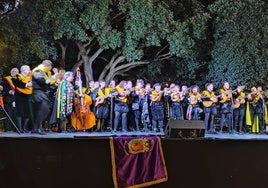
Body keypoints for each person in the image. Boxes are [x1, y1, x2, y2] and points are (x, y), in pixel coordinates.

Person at [31, 60, 58, 134]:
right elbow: (42, 81)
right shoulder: (38, 71)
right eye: (50, 67)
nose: (51, 68)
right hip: (37, 92)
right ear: (47, 66)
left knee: (44, 110)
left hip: (43, 93)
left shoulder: (45, 73)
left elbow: (48, 84)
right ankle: (37, 128)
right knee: (44, 109)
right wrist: (53, 77)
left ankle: (36, 128)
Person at [11, 65, 32, 133]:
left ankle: (24, 128)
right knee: (19, 112)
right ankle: (19, 128)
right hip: (20, 97)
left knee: (28, 113)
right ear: (24, 70)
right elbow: (16, 83)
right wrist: (27, 85)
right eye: (28, 70)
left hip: (28, 96)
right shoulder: (17, 76)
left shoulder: (30, 77)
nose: (29, 71)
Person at [2, 67, 19, 132]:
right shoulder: (6, 79)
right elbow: (3, 87)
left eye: (16, 71)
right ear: (10, 72)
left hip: (17, 99)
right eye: (13, 71)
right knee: (8, 113)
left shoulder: (19, 79)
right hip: (9, 98)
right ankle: (6, 128)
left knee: (16, 114)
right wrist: (9, 91)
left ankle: (15, 128)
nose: (14, 72)